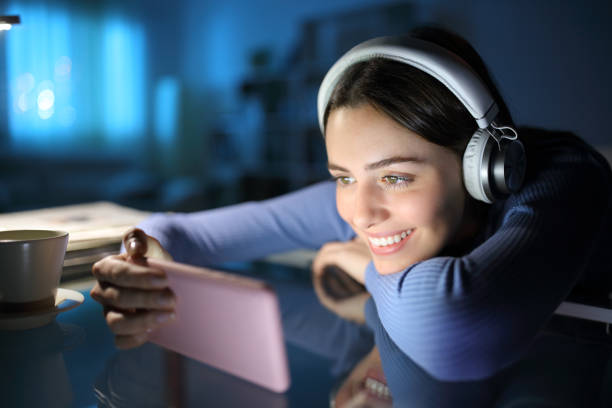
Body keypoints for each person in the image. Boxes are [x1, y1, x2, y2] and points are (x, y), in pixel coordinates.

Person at [90, 26, 612, 403]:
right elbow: (177, 230)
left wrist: (366, 270)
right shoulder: (373, 202)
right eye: (343, 176)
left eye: (395, 176)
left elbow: (451, 327)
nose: (360, 211)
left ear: (482, 168)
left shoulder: (562, 180)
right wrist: (138, 264)